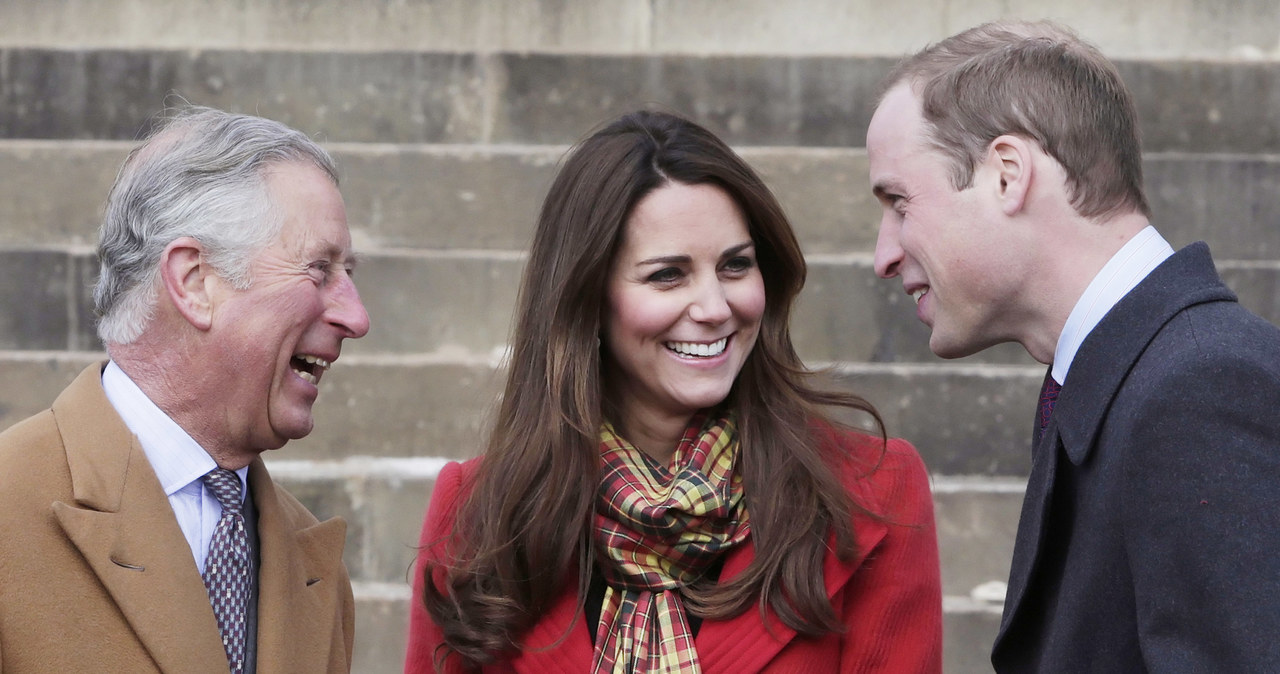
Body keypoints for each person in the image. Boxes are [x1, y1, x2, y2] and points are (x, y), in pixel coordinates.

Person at [404, 109, 942, 674]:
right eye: (668, 275)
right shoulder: (478, 514)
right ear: (588, 300)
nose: (714, 308)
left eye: (736, 266)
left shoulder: (874, 493)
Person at [867, 19, 1280, 672]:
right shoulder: (1134, 377)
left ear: (1006, 174)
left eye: (898, 202)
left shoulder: (1199, 388)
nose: (882, 255)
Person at [0, 106, 369, 673]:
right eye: (319, 270)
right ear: (195, 282)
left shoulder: (312, 562)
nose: (356, 316)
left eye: (349, 275)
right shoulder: (11, 504)